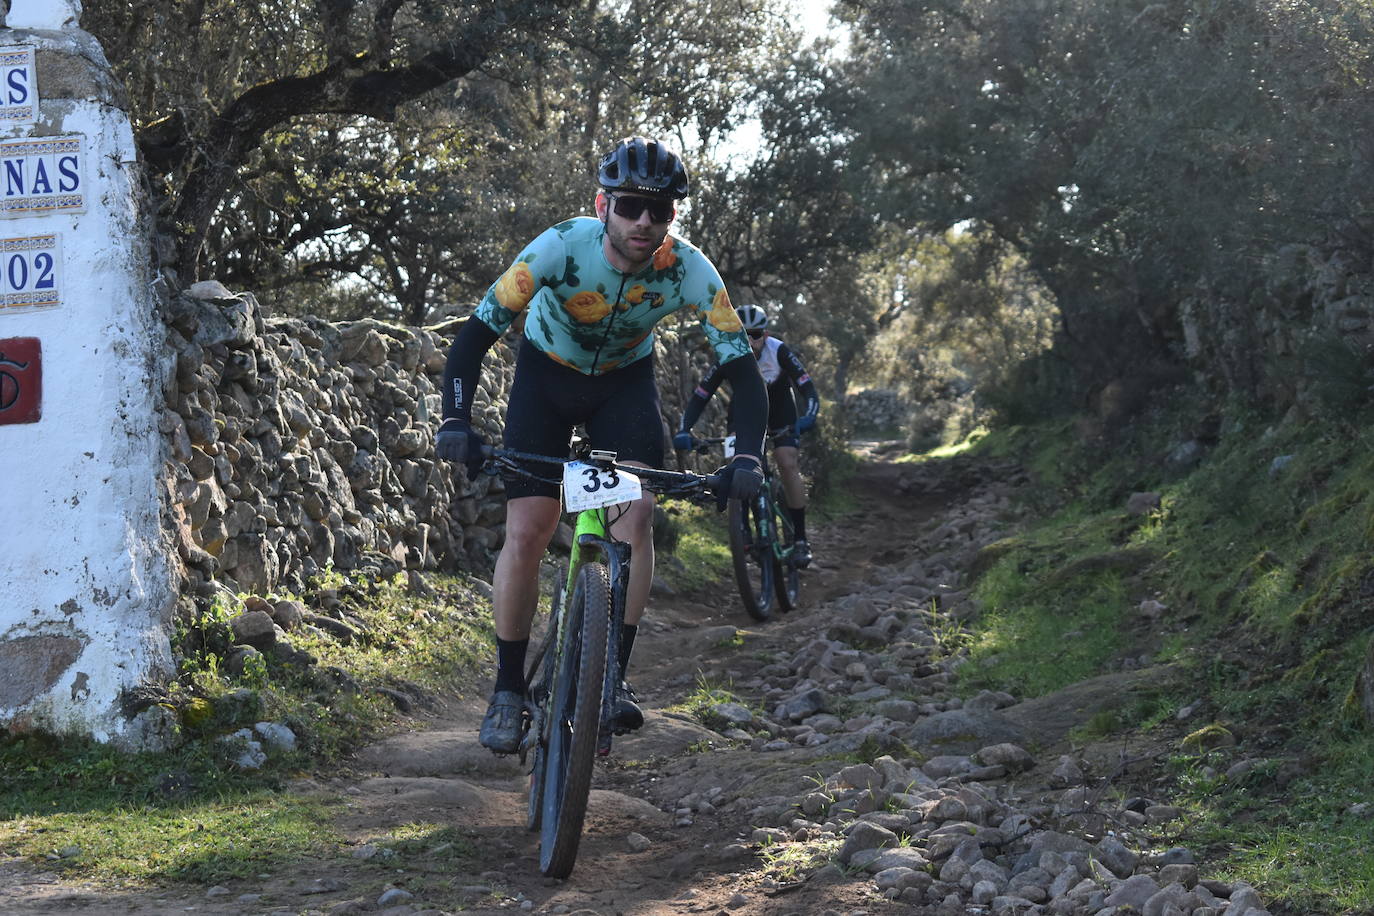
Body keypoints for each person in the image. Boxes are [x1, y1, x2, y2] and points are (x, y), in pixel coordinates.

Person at [435, 136, 769, 755]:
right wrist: (456, 419)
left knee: (636, 516)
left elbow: (743, 374)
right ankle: (508, 688)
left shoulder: (689, 270)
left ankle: (612, 677)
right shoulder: (559, 248)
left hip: (624, 386)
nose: (645, 221)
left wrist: (745, 456)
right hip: (546, 378)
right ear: (602, 206)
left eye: (661, 211)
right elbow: (473, 338)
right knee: (530, 528)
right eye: (631, 206)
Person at [674, 303, 819, 568]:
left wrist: (808, 416)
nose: (750, 340)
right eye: (743, 334)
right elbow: (700, 396)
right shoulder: (728, 355)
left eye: (755, 334)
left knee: (787, 462)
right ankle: (744, 532)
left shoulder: (779, 351)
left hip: (781, 414)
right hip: (744, 415)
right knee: (737, 465)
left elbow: (807, 387)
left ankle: (800, 539)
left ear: (765, 334)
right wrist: (684, 429)